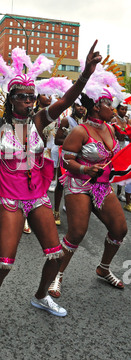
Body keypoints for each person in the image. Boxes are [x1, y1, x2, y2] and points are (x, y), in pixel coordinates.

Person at [0, 42, 102, 339]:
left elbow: (67, 98)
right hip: (8, 198)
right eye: (22, 97)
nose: (29, 101)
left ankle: (41, 295)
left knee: (55, 255)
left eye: (31, 97)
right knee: (4, 263)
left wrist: (85, 75)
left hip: (37, 195)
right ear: (11, 98)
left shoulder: (40, 120)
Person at [48, 86, 127, 299]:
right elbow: (67, 160)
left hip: (101, 186)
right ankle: (57, 274)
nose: (112, 108)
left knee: (119, 229)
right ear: (95, 107)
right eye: (108, 103)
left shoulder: (110, 129)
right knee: (77, 233)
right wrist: (85, 169)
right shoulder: (80, 131)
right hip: (79, 185)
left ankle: (103, 267)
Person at [53, 100, 86, 225]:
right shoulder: (67, 120)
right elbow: (57, 140)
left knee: (77, 184)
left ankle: (71, 209)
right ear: (73, 106)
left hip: (79, 157)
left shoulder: (86, 121)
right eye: (78, 105)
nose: (81, 108)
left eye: (83, 105)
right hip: (66, 155)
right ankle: (56, 211)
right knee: (61, 183)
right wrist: (73, 141)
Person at [111, 101, 131, 210]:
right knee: (115, 168)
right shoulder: (114, 120)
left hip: (124, 146)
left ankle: (119, 192)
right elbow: (114, 134)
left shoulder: (127, 120)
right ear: (117, 109)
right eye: (122, 109)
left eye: (125, 109)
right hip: (116, 146)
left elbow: (128, 133)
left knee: (123, 169)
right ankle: (111, 190)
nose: (124, 111)